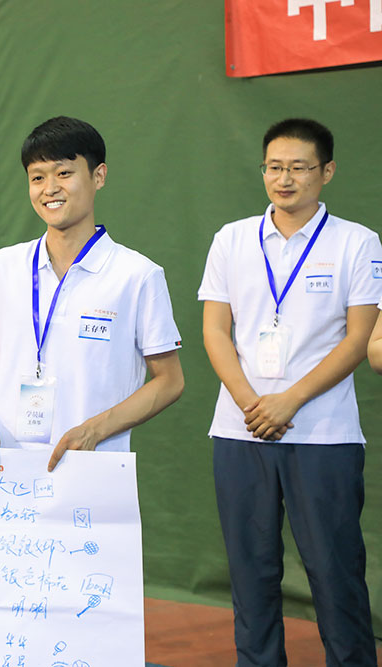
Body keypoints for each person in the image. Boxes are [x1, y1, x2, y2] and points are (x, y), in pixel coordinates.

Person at [198, 118, 380, 667]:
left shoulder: (357, 242)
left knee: (335, 573)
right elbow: (215, 330)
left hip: (323, 435)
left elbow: (358, 338)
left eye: (299, 168)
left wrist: (290, 400)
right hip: (240, 431)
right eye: (274, 167)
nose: (285, 179)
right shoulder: (232, 239)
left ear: (327, 171)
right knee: (250, 574)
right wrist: (251, 403)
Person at [0, 115, 184, 473]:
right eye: (37, 178)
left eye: (64, 173)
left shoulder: (137, 275)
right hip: (5, 469)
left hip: (93, 470)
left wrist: (96, 430)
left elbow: (170, 381)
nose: (49, 188)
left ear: (99, 176)